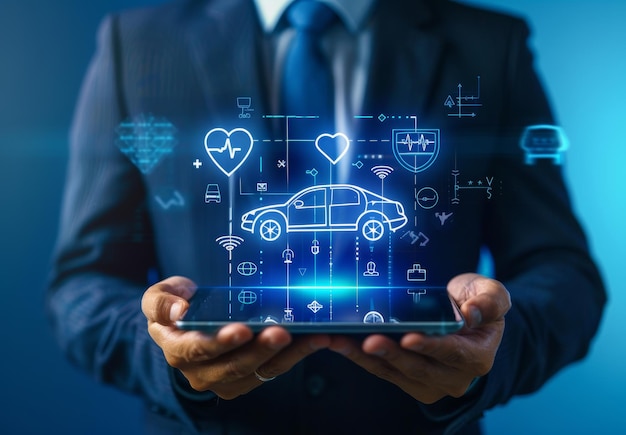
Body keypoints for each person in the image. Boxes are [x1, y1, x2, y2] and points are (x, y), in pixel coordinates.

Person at [47, 0, 606, 433]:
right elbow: (81, 285)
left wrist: (489, 351)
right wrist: (169, 351)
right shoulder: (137, 45)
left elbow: (563, 273)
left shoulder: (489, 46)